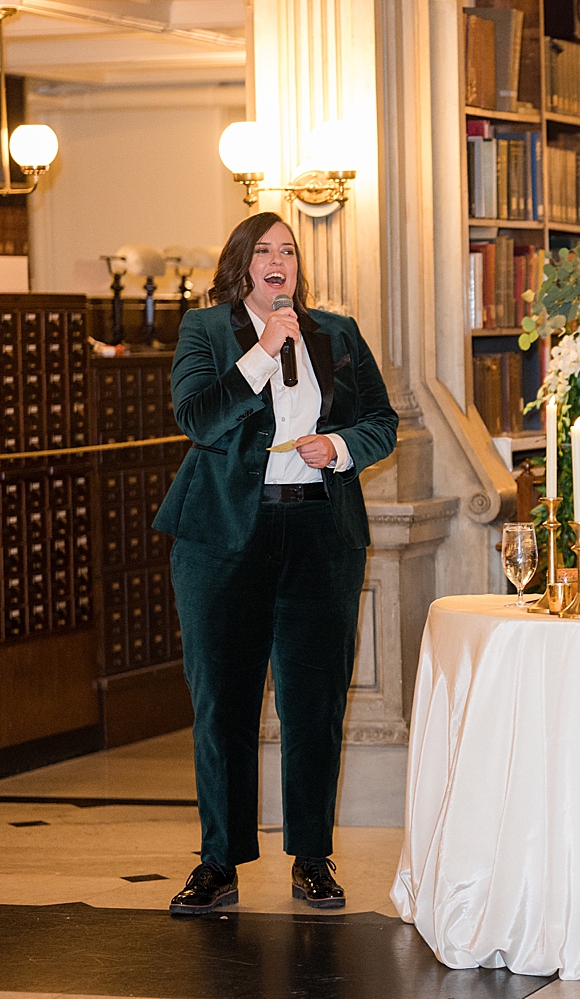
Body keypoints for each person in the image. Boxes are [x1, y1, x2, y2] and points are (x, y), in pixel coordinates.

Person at [153, 212, 398, 916]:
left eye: (287, 249)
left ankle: (312, 858)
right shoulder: (206, 331)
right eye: (263, 249)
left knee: (313, 703)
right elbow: (199, 418)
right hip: (223, 535)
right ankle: (218, 861)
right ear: (241, 265)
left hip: (320, 530)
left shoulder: (338, 332)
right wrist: (262, 350)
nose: (278, 258)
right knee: (223, 702)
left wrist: (341, 447)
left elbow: (381, 419)